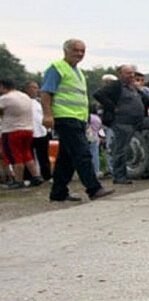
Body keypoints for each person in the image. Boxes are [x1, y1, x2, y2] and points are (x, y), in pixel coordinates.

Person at [40, 39, 112, 201]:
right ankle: (93, 188)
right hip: (65, 117)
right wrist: (48, 115)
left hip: (78, 118)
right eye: (75, 50)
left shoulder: (78, 72)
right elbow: (45, 93)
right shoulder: (56, 68)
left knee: (66, 159)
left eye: (82, 51)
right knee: (82, 153)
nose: (79, 54)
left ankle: (58, 193)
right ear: (65, 51)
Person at [93, 64, 149, 184]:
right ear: (120, 74)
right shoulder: (116, 86)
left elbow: (143, 101)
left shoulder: (134, 87)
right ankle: (119, 177)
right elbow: (98, 95)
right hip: (123, 122)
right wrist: (113, 107)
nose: (131, 75)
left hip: (139, 120)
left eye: (132, 73)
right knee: (121, 149)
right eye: (128, 73)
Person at [0, 78, 44, 188]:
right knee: (27, 154)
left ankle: (18, 181)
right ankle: (36, 176)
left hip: (12, 130)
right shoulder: (25, 97)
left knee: (15, 156)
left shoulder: (5, 98)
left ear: (3, 87)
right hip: (28, 129)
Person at [25, 81, 51, 180]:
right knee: (29, 156)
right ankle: (30, 176)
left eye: (36, 88)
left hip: (42, 132)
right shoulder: (24, 101)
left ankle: (47, 175)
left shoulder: (39, 102)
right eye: (33, 88)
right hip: (29, 131)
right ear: (27, 89)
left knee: (43, 155)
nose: (36, 90)